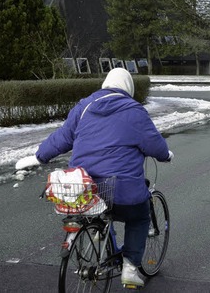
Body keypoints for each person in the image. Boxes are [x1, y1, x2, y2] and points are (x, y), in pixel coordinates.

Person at [15, 68, 173, 288]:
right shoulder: (134, 111)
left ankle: (96, 230)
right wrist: (165, 155)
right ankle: (130, 267)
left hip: (85, 188)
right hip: (124, 192)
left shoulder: (84, 107)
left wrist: (39, 157)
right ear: (128, 87)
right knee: (139, 217)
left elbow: (62, 138)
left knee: (98, 207)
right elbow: (154, 144)